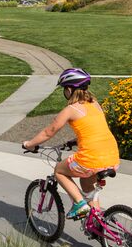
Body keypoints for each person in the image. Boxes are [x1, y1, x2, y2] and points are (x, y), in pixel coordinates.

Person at [22, 68, 120, 219]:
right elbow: (94, 130)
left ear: (68, 89)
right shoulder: (95, 104)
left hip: (90, 159)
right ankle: (98, 221)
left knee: (59, 171)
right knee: (87, 185)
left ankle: (80, 204)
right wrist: (74, 141)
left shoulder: (70, 109)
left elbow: (49, 132)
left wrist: (29, 144)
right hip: (112, 157)